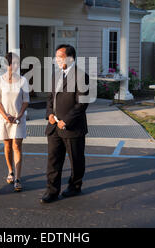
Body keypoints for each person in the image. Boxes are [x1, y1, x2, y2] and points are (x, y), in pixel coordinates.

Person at [41, 44, 89, 204]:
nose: (56, 60)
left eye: (59, 57)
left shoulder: (82, 76)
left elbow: (82, 104)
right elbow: (50, 98)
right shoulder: (55, 75)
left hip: (72, 128)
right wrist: (49, 114)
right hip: (54, 126)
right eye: (56, 57)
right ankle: (52, 191)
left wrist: (65, 121)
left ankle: (75, 186)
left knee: (76, 160)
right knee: (53, 160)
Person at [0, 52, 30, 192]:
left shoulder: (23, 80)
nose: (12, 66)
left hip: (18, 119)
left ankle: (18, 178)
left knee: (17, 145)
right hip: (4, 118)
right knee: (7, 145)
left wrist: (19, 115)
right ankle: (10, 171)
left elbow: (26, 100)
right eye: (9, 63)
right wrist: (5, 115)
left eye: (15, 63)